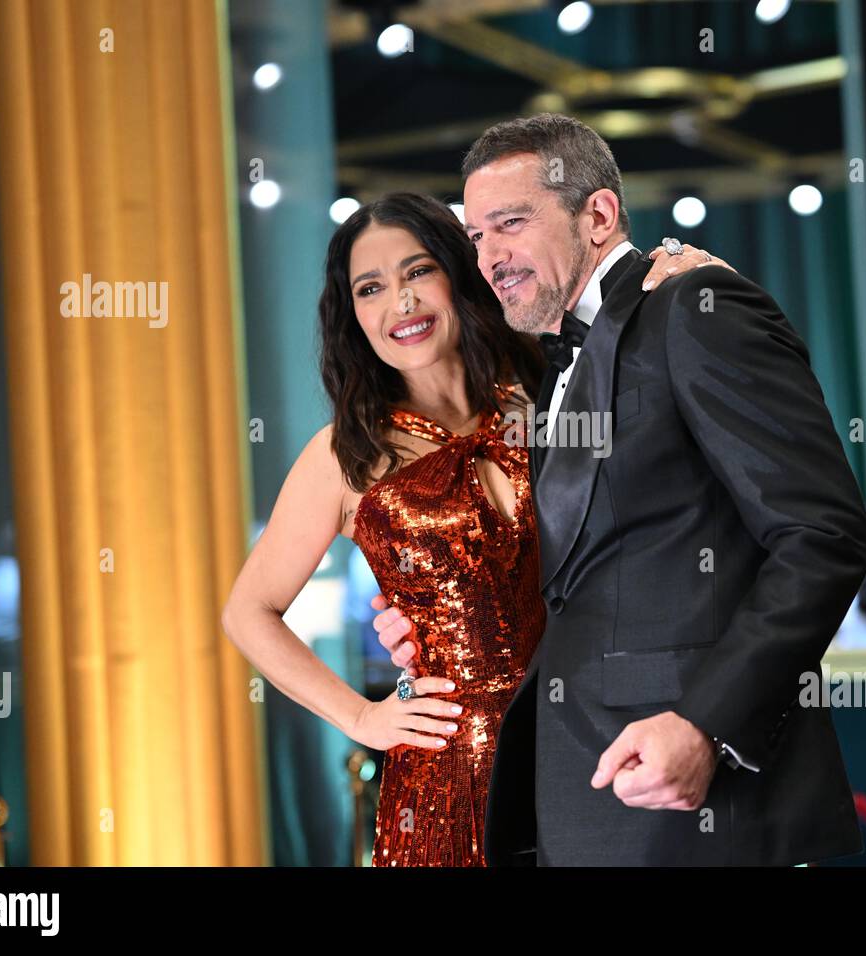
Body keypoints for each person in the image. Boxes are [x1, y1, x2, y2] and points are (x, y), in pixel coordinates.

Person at [373, 113, 866, 866]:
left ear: (599, 215)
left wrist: (707, 725)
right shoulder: (550, 371)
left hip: (693, 800)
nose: (489, 257)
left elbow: (823, 538)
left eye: (510, 224)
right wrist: (437, 610)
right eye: (476, 237)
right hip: (578, 796)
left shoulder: (694, 309)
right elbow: (579, 575)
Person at [219, 189, 727, 866]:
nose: (399, 302)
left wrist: (683, 267)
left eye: (417, 271)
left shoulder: (551, 391)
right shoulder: (345, 453)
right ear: (354, 316)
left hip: (592, 737)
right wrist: (362, 717)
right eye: (370, 287)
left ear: (459, 274)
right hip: (445, 776)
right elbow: (248, 611)